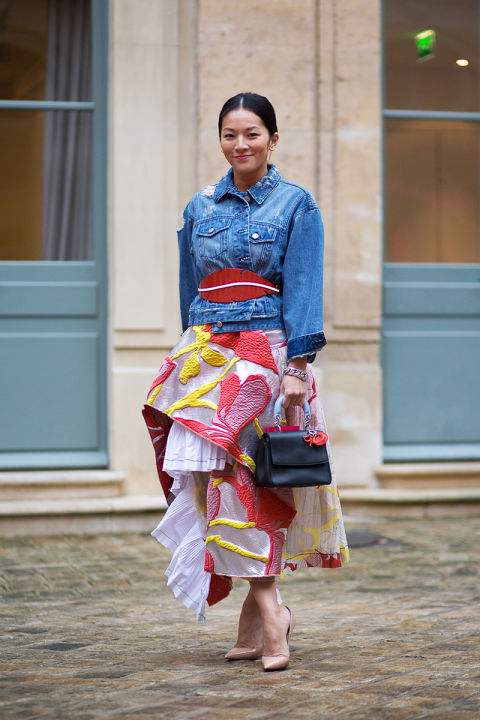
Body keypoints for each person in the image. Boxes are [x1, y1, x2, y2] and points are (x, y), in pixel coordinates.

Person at [143, 92, 349, 671]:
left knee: (250, 482)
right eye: (231, 135)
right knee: (213, 479)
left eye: (253, 134)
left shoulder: (295, 204)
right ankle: (263, 614)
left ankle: (269, 615)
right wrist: (190, 353)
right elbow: (192, 292)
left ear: (273, 139)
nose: (241, 145)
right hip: (207, 356)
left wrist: (296, 369)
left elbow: (305, 291)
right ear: (221, 140)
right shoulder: (198, 207)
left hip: (268, 356)